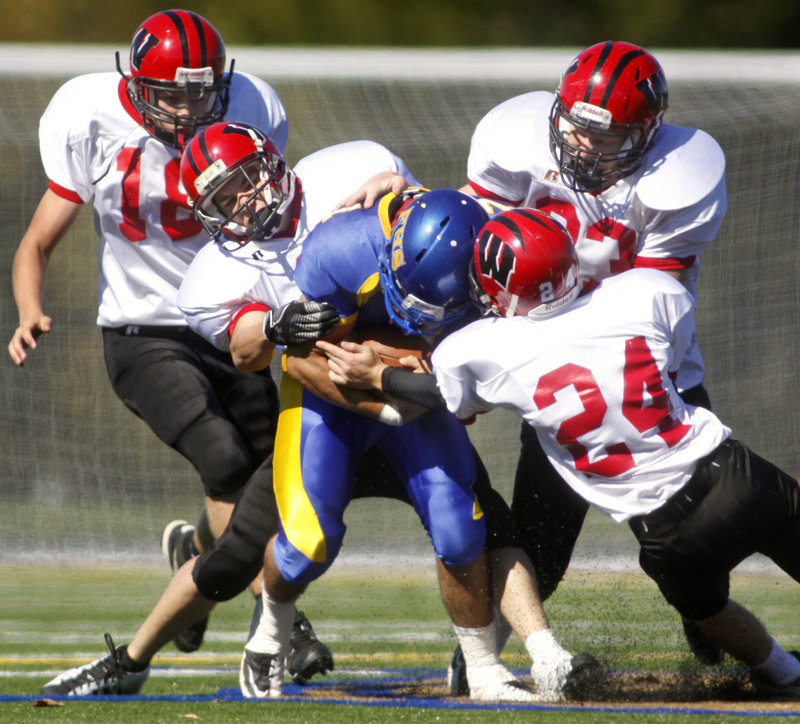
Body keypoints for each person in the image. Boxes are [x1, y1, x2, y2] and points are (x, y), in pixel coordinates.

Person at [340, 39, 729, 673]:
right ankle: (479, 658)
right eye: (575, 127)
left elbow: (643, 297)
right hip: (561, 377)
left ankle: (718, 634)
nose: (582, 146)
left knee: (694, 547)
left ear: (648, 132)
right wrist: (415, 197)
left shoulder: (680, 176)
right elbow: (476, 230)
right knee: (542, 544)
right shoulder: (517, 138)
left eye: (607, 138)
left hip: (648, 378)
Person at [320, 206, 800, 698]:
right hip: (733, 474)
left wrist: (379, 376)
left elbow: (442, 396)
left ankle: (785, 672)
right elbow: (674, 362)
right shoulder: (646, 291)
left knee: (709, 614)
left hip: (666, 531)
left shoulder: (483, 347)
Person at [38, 121, 421, 697]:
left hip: (405, 390)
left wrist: (401, 191)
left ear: (271, 162)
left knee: (474, 519)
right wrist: (273, 322)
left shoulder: (355, 168)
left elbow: (437, 242)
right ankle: (132, 661)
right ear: (210, 215)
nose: (245, 200)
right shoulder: (216, 271)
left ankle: (490, 653)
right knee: (237, 553)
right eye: (224, 199)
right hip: (325, 414)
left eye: (245, 180)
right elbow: (245, 354)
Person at [10, 7, 330, 678]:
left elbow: (274, 212)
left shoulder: (250, 107)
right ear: (135, 85)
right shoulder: (87, 113)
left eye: (199, 90)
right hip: (141, 328)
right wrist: (29, 309)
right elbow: (38, 240)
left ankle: (197, 555)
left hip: (231, 321)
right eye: (171, 94)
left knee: (265, 471)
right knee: (224, 460)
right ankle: (283, 625)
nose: (188, 108)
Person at [242, 187, 587, 703]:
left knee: (459, 527)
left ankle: (485, 671)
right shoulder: (340, 249)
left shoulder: (497, 269)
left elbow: (477, 393)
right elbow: (299, 360)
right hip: (331, 399)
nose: (411, 313)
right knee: (309, 544)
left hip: (413, 399)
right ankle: (269, 635)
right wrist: (389, 396)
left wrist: (384, 364)